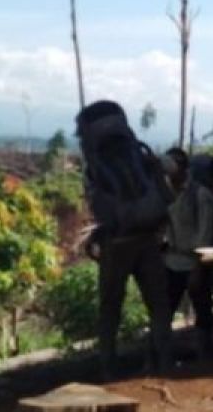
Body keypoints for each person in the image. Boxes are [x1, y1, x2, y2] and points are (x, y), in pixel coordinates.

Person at [76, 100, 174, 378]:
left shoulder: (95, 165)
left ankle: (108, 370)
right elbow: (166, 194)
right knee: (158, 306)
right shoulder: (142, 156)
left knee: (110, 310)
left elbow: (99, 207)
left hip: (116, 243)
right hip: (148, 240)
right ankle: (165, 364)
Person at [162, 147, 213, 358]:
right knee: (164, 311)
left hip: (196, 261)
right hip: (172, 261)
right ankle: (162, 357)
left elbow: (205, 234)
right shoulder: (164, 193)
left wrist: (198, 268)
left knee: (203, 309)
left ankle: (206, 353)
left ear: (183, 168)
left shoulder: (201, 196)